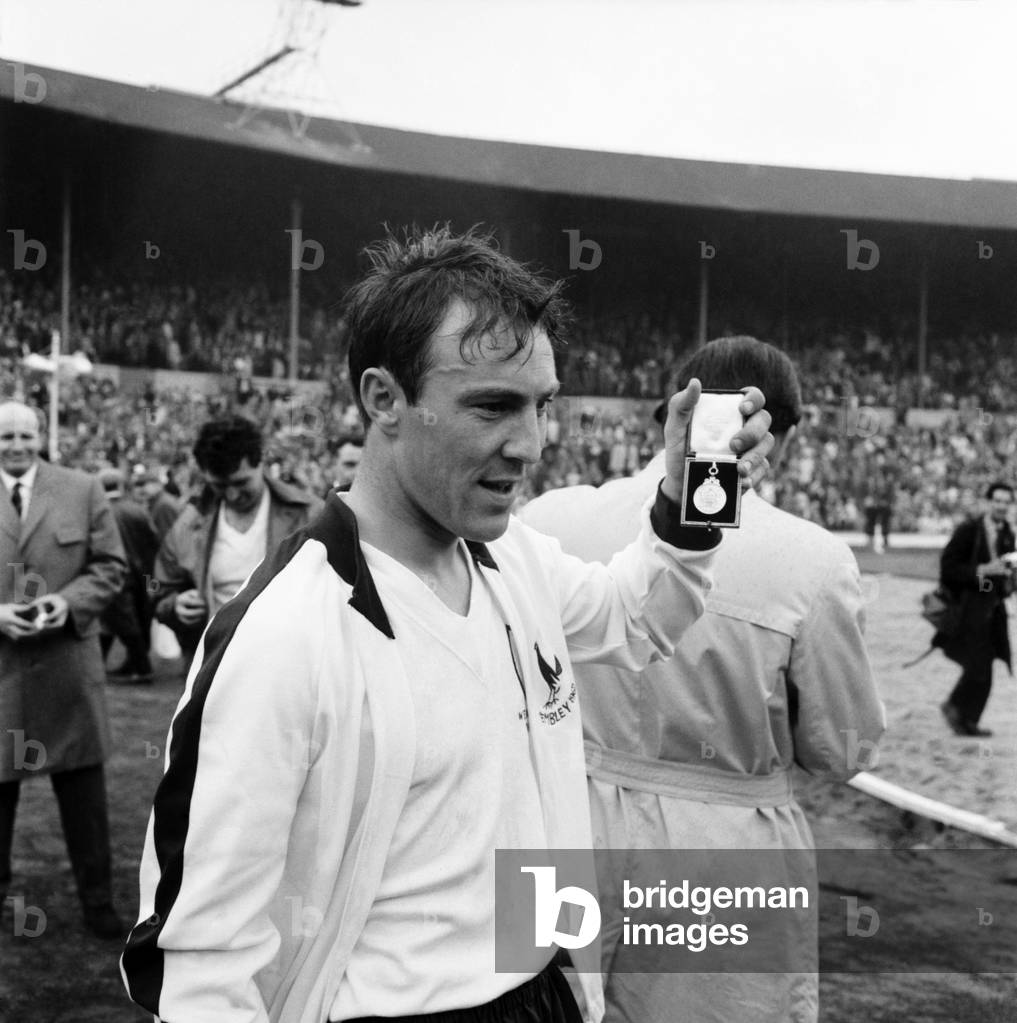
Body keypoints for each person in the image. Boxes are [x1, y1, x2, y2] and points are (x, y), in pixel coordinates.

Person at [121, 228, 774, 1023]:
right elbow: (202, 954)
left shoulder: (515, 557)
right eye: (492, 405)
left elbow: (633, 618)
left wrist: (686, 503)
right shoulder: (283, 633)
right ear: (383, 398)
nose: (530, 444)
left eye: (541, 404)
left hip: (547, 987)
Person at [521, 336, 885, 1023]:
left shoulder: (549, 515)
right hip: (719, 842)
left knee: (536, 1010)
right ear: (778, 437)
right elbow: (842, 749)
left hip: (556, 817)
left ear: (670, 413)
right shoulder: (812, 558)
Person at [0, 401, 128, 938]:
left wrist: (66, 604)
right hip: (3, 672)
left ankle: (98, 901)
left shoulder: (81, 487)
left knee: (84, 801)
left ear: (41, 435)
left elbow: (112, 566)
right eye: (6, 436)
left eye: (25, 435)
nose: (17, 445)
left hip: (66, 669)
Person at [150, 415, 323, 666]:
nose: (232, 495)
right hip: (215, 665)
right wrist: (174, 605)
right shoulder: (188, 524)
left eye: (241, 483)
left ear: (260, 462)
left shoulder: (308, 514)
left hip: (291, 662)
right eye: (220, 485)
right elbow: (154, 585)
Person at [936, 480, 1015, 737]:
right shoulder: (969, 531)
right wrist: (982, 571)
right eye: (997, 501)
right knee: (979, 665)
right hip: (969, 608)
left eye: (1006, 502)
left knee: (984, 665)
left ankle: (961, 713)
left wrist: (1009, 579)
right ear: (988, 502)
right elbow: (948, 568)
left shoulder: (1008, 535)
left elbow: (1001, 579)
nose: (1001, 506)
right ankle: (960, 712)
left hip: (993, 609)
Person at [98, 467, 160, 683]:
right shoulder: (137, 510)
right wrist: (151, 579)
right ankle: (118, 666)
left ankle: (142, 668)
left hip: (115, 574)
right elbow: (153, 542)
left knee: (124, 623)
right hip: (141, 574)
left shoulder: (100, 511)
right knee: (119, 621)